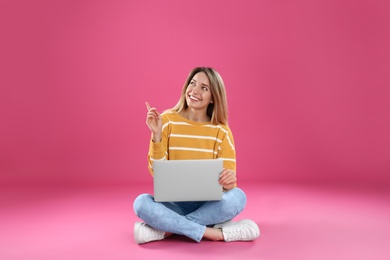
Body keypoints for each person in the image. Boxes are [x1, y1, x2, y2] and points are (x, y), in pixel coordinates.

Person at [133, 67, 260, 244]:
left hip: (208, 206)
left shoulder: (221, 131)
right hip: (173, 205)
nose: (194, 91)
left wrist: (229, 179)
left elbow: (229, 184)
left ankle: (167, 230)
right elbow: (157, 172)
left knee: (238, 197)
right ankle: (214, 233)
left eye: (204, 88)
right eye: (192, 84)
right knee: (141, 203)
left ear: (213, 98)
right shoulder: (166, 120)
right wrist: (156, 135)